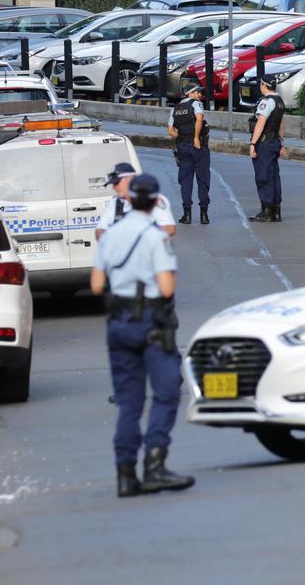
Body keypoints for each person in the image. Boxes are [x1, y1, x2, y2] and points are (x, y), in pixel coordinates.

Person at [90, 173, 195, 498]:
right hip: (149, 320)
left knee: (129, 402)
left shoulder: (110, 235)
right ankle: (154, 465)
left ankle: (125, 475)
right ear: (154, 202)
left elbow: (96, 285)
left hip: (119, 323)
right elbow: (166, 288)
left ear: (130, 199)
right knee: (165, 393)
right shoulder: (155, 238)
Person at [97, 162, 177, 240]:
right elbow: (101, 228)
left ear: (130, 180)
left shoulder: (152, 199)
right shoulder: (114, 203)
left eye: (116, 183)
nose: (114, 187)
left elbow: (170, 228)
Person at [167, 83, 211, 225]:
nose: (200, 95)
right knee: (203, 179)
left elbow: (170, 130)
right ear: (190, 94)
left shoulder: (176, 108)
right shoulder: (196, 104)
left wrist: (183, 137)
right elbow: (199, 119)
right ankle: (204, 215)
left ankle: (187, 215)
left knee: (186, 181)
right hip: (198, 147)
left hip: (183, 147)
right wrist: (196, 138)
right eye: (197, 92)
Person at [248, 77, 287, 223]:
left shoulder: (266, 101)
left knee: (263, 176)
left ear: (263, 85)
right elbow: (281, 124)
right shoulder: (280, 101)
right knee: (274, 176)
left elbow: (260, 124)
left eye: (261, 84)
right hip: (275, 142)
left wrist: (252, 144)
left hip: (264, 143)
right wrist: (282, 143)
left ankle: (266, 211)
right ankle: (276, 211)